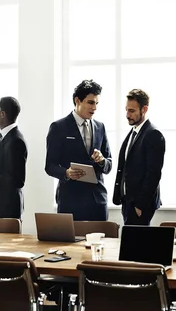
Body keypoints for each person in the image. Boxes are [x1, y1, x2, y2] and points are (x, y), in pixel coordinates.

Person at [45, 80, 112, 221]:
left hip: (97, 201)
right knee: (69, 243)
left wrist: (102, 161)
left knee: (100, 243)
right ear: (77, 100)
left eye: (96, 103)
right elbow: (50, 166)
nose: (94, 108)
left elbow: (109, 165)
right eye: (90, 102)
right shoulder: (58, 127)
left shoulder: (100, 127)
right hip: (70, 201)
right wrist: (67, 173)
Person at [112, 89, 165, 226]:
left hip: (140, 205)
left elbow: (153, 174)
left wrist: (140, 204)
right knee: (131, 244)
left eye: (132, 111)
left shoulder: (153, 134)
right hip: (128, 202)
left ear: (144, 109)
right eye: (126, 110)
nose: (127, 115)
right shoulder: (134, 131)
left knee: (138, 245)